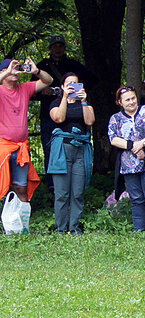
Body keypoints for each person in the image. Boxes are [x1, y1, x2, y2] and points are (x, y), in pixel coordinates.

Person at [107, 85, 145, 236]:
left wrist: (143, 143)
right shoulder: (116, 119)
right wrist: (134, 146)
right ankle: (139, 231)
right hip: (128, 164)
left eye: (133, 98)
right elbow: (113, 139)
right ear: (120, 102)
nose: (131, 102)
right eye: (127, 100)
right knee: (136, 198)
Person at [47, 73, 95, 234]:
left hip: (80, 149)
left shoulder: (85, 103)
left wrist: (83, 101)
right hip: (62, 150)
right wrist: (65, 98)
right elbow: (59, 118)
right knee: (61, 193)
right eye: (69, 84)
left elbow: (89, 122)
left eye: (76, 83)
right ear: (62, 87)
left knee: (78, 192)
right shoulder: (55, 103)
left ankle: (74, 227)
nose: (73, 86)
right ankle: (60, 228)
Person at [36, 35, 95, 167]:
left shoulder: (73, 65)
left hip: (73, 113)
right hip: (48, 111)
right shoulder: (42, 66)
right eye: (55, 46)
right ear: (50, 48)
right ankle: (51, 185)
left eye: (60, 46)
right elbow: (31, 91)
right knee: (49, 148)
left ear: (64, 48)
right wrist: (42, 92)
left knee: (73, 148)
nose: (57, 49)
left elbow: (92, 79)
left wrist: (79, 91)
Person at [0, 57, 52, 202]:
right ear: (3, 72)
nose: (15, 72)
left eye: (16, 69)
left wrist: (37, 71)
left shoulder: (24, 88)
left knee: (21, 187)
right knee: (2, 187)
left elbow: (48, 81)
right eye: (11, 69)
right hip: (2, 146)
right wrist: (7, 71)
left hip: (21, 147)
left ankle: (22, 222)